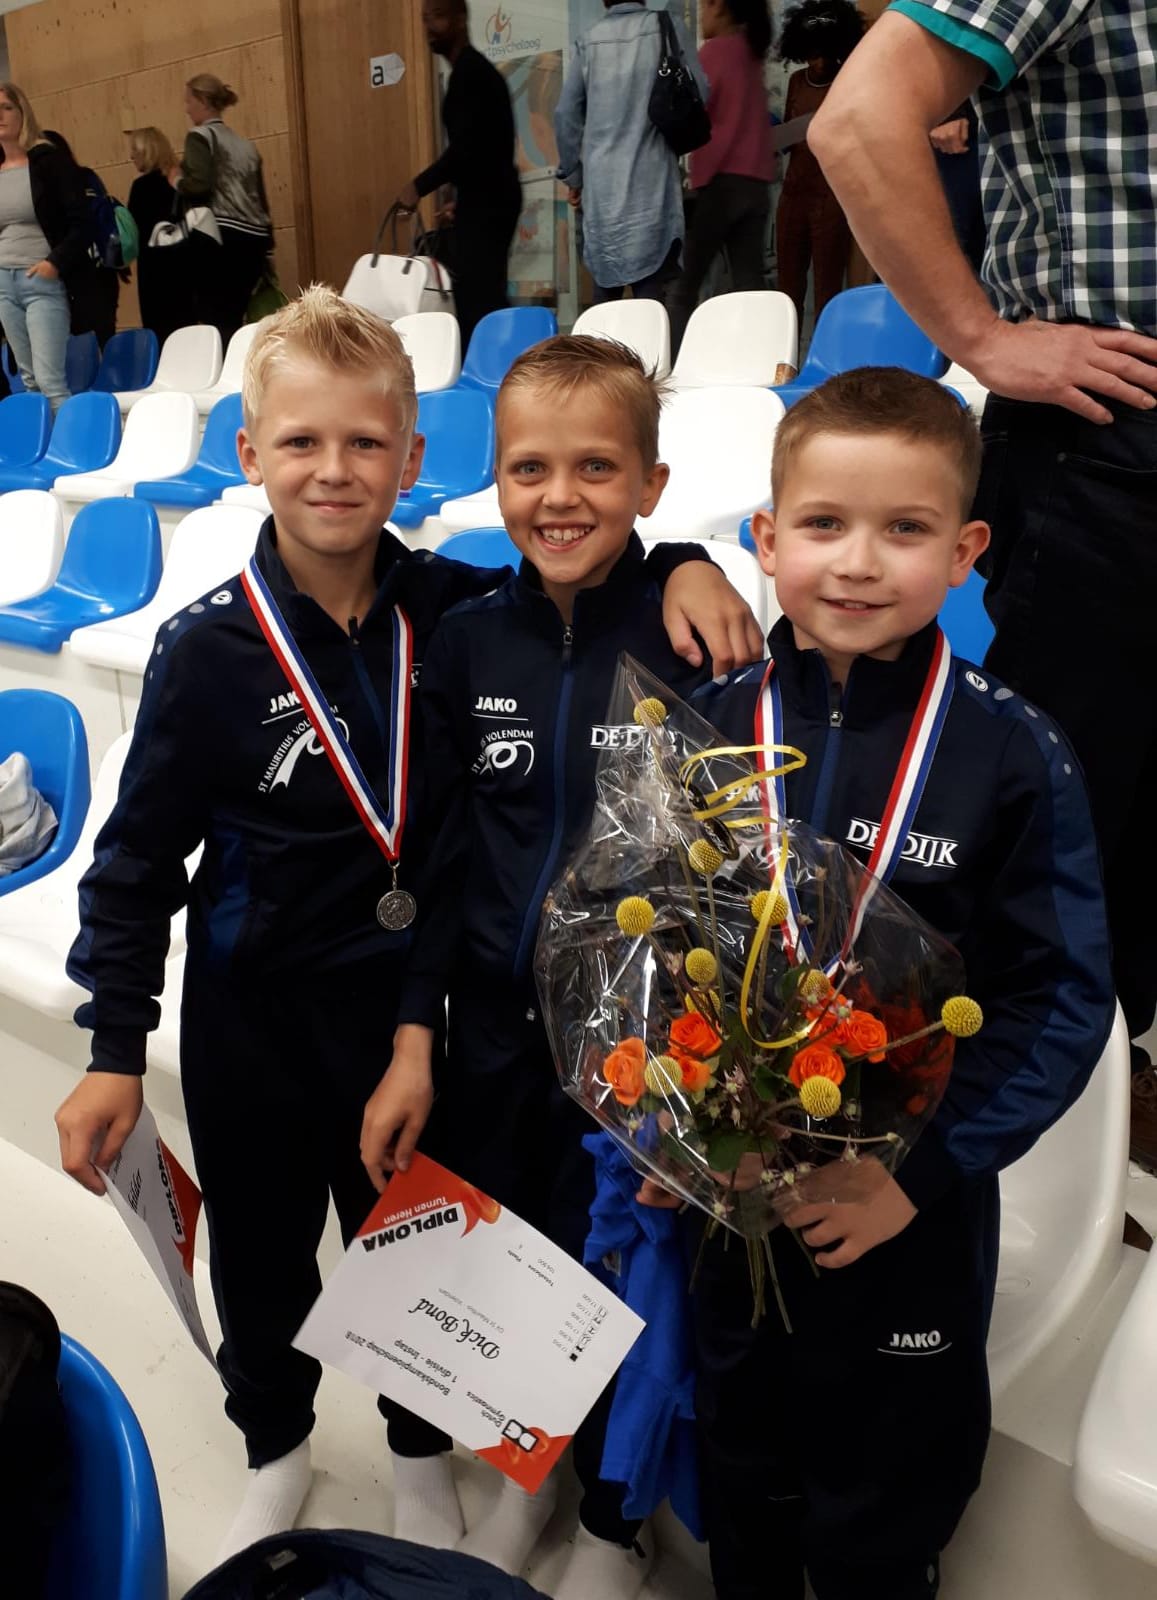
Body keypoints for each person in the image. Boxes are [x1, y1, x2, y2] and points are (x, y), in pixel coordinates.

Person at [50, 284, 764, 1569]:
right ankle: (274, 1448)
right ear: (248, 452)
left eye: (365, 442)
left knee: (421, 1248)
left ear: (412, 457)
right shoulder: (205, 651)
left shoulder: (449, 608)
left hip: (408, 1014)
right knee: (262, 1258)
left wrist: (683, 563)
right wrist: (114, 1047)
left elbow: (575, 575)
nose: (333, 469)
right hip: (255, 1014)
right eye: (301, 441)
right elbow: (136, 861)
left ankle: (420, 1449)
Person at [666, 367, 1114, 1600]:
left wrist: (911, 1173)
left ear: (964, 552)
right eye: (822, 524)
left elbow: (1059, 1000)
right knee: (744, 1450)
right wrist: (678, 1135)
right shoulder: (704, 724)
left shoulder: (1011, 751)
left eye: (904, 529)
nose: (858, 562)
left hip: (906, 1206)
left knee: (886, 1479)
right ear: (765, 539)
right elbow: (652, 946)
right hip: (734, 1189)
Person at [364, 334, 763, 1600]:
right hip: (491, 1030)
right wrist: (417, 1031)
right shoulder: (467, 636)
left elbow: (740, 868)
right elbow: (437, 857)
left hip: (644, 1054)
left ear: (651, 482)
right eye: (527, 467)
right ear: (491, 479)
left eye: (596, 466)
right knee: (510, 1263)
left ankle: (608, 1518)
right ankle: (524, 1481)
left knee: (624, 1283)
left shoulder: (695, 636)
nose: (559, 495)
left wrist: (691, 559)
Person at [807, 3, 1157, 1169]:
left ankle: (1099, 1115)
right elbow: (856, 121)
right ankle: (965, 1156)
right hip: (1109, 434)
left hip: (1118, 438)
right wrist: (980, 337)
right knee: (1047, 844)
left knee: (1128, 836)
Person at [554, 2, 707, 308]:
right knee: (650, 306)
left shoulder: (588, 41)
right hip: (653, 193)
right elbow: (700, 90)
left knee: (604, 305)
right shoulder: (666, 28)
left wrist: (574, 177)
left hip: (602, 198)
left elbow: (565, 114)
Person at [397, 0, 522, 351]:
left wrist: (418, 186)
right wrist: (461, 201)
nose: (429, 28)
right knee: (481, 295)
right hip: (489, 198)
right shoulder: (471, 73)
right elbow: (482, 151)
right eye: (425, 20)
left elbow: (467, 149)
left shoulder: (471, 75)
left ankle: (491, 367)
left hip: (490, 203)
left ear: (460, 19)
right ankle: (494, 364)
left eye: (437, 17)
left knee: (478, 302)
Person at [669, 0, 776, 351]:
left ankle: (671, 361)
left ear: (718, 6)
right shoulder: (752, 54)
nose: (701, 16)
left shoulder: (714, 53)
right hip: (755, 185)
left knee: (685, 285)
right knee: (748, 284)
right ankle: (759, 356)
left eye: (703, 7)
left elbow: (699, 115)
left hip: (720, 184)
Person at [774, 0, 863, 325]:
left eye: (827, 54)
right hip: (793, 194)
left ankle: (824, 349)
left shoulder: (847, 81)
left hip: (831, 197)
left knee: (828, 288)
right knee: (788, 289)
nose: (820, 62)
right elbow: (788, 136)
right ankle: (786, 349)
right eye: (813, 54)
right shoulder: (797, 82)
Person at [0, 83, 87, 412]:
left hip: (40, 279)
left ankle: (69, 443)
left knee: (50, 381)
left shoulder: (48, 160)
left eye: (6, 107)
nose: (0, 116)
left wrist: (54, 263)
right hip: (4, 283)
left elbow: (81, 222)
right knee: (29, 381)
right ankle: (42, 442)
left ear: (22, 112)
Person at [179, 73, 273, 346]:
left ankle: (220, 369)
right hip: (255, 240)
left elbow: (200, 185)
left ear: (202, 101)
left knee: (215, 319)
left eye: (189, 101)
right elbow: (261, 199)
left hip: (221, 237)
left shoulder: (200, 137)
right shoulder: (247, 147)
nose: (187, 109)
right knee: (237, 315)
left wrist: (177, 181)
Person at [42, 130, 121, 348]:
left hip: (77, 273)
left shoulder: (51, 187)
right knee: (105, 339)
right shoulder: (88, 176)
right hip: (103, 268)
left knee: (79, 344)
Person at [127, 126, 186, 346]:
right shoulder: (180, 181)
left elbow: (133, 231)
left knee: (159, 336)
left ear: (146, 152)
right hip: (182, 266)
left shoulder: (141, 188)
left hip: (153, 270)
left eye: (135, 151)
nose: (131, 156)